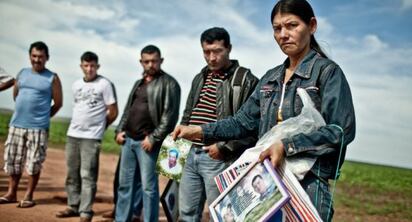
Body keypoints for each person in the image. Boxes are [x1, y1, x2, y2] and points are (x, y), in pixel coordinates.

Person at [172, 0, 356, 221]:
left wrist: (286, 146)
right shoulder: (271, 78)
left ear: (312, 25)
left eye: (292, 25)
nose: (283, 34)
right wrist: (200, 131)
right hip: (266, 183)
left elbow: (341, 130)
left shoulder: (327, 73)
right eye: (277, 28)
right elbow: (242, 122)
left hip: (307, 184)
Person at [177, 27, 259, 222]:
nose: (211, 57)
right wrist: (178, 149)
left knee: (223, 215)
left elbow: (253, 126)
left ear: (229, 48)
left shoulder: (245, 80)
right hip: (189, 154)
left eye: (217, 51)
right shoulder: (200, 77)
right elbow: (188, 113)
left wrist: (223, 147)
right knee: (186, 213)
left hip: (218, 157)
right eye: (207, 52)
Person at [115, 45, 181, 222]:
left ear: (161, 61)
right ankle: (121, 219)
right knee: (125, 186)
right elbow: (128, 110)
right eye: (146, 61)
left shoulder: (170, 83)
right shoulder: (139, 83)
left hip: (148, 144)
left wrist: (153, 138)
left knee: (149, 188)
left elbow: (170, 117)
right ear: (141, 62)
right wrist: (119, 130)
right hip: (128, 140)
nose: (150, 64)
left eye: (154, 61)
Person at [56, 51, 118, 222]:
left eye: (93, 66)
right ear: (81, 66)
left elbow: (113, 111)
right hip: (73, 134)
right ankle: (72, 205)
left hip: (91, 138)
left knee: (87, 175)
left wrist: (99, 128)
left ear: (97, 66)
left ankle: (86, 211)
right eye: (86, 65)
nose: (89, 69)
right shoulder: (76, 84)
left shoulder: (104, 84)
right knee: (72, 173)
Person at [0, 41, 63, 208]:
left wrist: (42, 118)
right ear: (29, 56)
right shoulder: (22, 73)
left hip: (38, 128)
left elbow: (58, 103)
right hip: (17, 124)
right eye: (34, 56)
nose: (37, 60)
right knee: (13, 160)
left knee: (34, 162)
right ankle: (11, 193)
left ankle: (28, 195)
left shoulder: (53, 78)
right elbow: (16, 96)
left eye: (41, 57)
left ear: (47, 58)